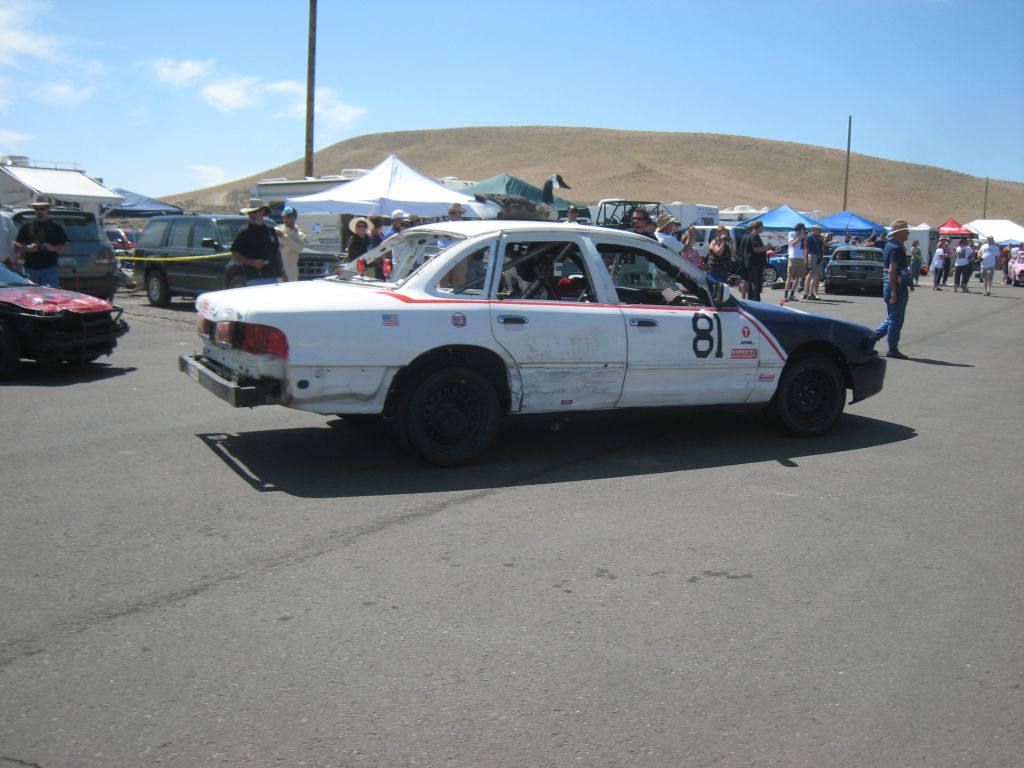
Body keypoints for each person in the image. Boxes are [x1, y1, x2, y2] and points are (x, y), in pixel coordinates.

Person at [870, 219, 913, 359]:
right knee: (896, 319)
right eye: (906, 231)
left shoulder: (890, 245)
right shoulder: (896, 248)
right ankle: (892, 348)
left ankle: (870, 339)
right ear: (899, 233)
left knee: (892, 318)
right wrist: (895, 291)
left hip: (891, 284)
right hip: (895, 285)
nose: (908, 234)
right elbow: (892, 270)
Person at [14, 197, 69, 288]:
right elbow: (16, 245)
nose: (39, 211)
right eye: (36, 209)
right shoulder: (27, 226)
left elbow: (66, 246)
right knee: (31, 294)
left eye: (42, 209)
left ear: (47, 209)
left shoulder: (56, 227)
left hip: (50, 268)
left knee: (50, 295)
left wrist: (52, 248)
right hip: (30, 268)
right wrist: (27, 248)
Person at [230, 199, 283, 286]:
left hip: (273, 276)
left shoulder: (270, 230)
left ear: (262, 212)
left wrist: (282, 270)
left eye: (254, 212)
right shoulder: (245, 232)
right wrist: (252, 263)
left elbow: (276, 251)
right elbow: (235, 254)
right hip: (255, 277)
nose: (252, 215)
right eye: (250, 213)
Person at [275, 206, 306, 282]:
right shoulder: (277, 230)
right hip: (278, 270)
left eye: (288, 217)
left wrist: (284, 237)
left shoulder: (300, 233)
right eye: (284, 217)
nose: (285, 219)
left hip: (291, 272)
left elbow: (298, 248)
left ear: (295, 218)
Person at [744, 220, 770, 302]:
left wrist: (766, 250)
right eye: (762, 227)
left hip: (755, 264)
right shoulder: (754, 235)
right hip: (754, 264)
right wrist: (766, 247)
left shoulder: (755, 235)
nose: (763, 228)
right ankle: (755, 301)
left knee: (754, 283)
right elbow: (756, 249)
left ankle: (752, 300)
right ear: (759, 227)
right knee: (755, 284)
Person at [784, 223, 807, 301]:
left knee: (797, 277)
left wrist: (804, 237)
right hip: (793, 257)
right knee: (790, 276)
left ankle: (792, 294)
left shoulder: (803, 235)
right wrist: (799, 236)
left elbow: (805, 246)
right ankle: (786, 295)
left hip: (801, 257)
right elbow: (793, 244)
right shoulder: (792, 233)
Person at [803, 224, 825, 299]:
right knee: (815, 275)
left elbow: (821, 248)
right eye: (818, 230)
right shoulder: (810, 237)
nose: (820, 231)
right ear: (814, 230)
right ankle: (810, 293)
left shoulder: (817, 237)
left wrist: (822, 240)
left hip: (817, 256)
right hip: (813, 256)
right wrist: (806, 259)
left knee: (811, 275)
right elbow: (806, 248)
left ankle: (806, 293)